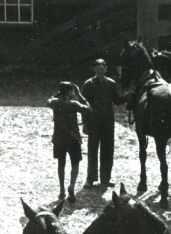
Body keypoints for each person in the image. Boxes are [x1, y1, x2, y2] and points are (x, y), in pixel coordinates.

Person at [82, 59, 127, 189]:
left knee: (107, 150)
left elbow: (117, 100)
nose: (100, 71)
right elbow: (85, 105)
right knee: (92, 150)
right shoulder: (88, 84)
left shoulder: (111, 84)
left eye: (102, 69)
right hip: (93, 122)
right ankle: (90, 178)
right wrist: (85, 123)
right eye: (98, 69)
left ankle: (105, 178)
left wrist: (128, 96)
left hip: (108, 122)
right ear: (94, 70)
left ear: (106, 70)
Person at [47, 81, 90, 203]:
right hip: (73, 138)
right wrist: (80, 95)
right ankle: (71, 185)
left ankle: (61, 190)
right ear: (71, 91)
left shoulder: (55, 103)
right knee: (75, 163)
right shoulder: (73, 104)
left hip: (59, 138)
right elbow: (88, 108)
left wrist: (57, 94)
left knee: (61, 164)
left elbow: (49, 100)